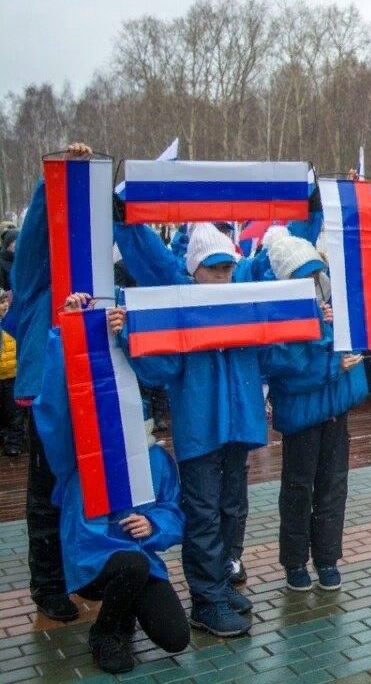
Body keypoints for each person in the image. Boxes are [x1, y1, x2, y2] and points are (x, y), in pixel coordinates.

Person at [111, 221, 331, 637]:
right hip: (199, 433)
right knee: (204, 515)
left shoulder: (245, 307)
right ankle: (205, 600)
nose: (222, 276)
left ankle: (222, 582)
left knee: (232, 510)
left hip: (241, 428)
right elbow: (160, 369)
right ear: (193, 270)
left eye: (227, 268)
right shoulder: (182, 311)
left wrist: (309, 325)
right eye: (213, 269)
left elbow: (273, 359)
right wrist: (129, 336)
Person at [33, 295, 189, 674]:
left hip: (139, 558)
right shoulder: (80, 454)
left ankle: (126, 602)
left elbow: (173, 510)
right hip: (91, 558)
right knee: (131, 565)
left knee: (175, 637)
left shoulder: (155, 458)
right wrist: (66, 331)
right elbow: (53, 403)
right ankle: (108, 633)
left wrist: (155, 526)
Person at [2, 144, 93, 623]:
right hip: (44, 394)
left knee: (90, 483)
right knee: (45, 492)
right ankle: (48, 585)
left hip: (90, 390)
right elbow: (35, 237)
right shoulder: (38, 280)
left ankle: (84, 568)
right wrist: (51, 181)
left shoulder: (97, 277)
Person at [263, 235, 367, 593]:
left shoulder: (330, 299)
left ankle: (327, 557)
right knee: (298, 488)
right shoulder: (277, 311)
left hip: (335, 409)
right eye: (303, 277)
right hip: (303, 414)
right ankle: (294, 562)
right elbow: (282, 367)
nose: (312, 282)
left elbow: (348, 344)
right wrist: (328, 354)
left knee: (333, 486)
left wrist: (341, 342)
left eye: (314, 275)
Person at [1, 291, 23, 456]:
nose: (2, 306)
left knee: (14, 412)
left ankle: (14, 442)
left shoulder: (13, 321)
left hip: (13, 374)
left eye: (3, 302)